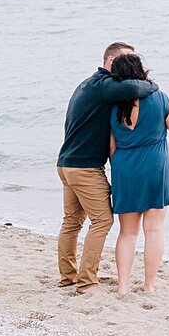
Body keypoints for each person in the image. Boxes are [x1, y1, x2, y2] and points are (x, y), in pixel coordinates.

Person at [55, 41, 146, 293]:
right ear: (110, 62)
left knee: (71, 222)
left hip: (66, 164)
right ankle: (86, 282)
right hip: (84, 168)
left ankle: (67, 277)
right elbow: (135, 86)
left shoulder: (87, 84)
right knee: (103, 221)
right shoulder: (104, 85)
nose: (131, 66)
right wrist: (152, 85)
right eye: (127, 60)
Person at [107, 50, 169, 296]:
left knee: (127, 232)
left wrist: (120, 165)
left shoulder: (111, 105)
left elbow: (111, 146)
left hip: (125, 167)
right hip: (155, 165)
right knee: (154, 230)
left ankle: (122, 287)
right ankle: (149, 286)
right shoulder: (159, 98)